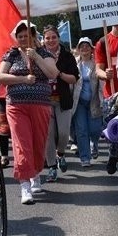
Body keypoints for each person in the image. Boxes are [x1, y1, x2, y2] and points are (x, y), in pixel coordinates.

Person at [0, 20, 59, 204]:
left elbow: (53, 74)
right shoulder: (11, 55)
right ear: (16, 38)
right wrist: (23, 78)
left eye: (27, 36)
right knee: (22, 144)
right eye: (20, 36)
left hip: (40, 104)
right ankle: (25, 186)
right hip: (16, 105)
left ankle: (35, 174)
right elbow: (1, 77)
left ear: (33, 36)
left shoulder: (43, 53)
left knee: (38, 144)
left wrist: (37, 58)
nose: (23, 39)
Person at [41, 24, 80, 182]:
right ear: (43, 40)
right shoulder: (39, 55)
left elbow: (74, 78)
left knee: (63, 134)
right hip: (44, 101)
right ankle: (51, 167)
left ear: (58, 38)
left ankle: (61, 154)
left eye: (53, 37)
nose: (51, 40)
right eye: (47, 38)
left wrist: (59, 74)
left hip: (63, 100)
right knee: (49, 136)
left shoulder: (67, 56)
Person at [95, 23, 118, 174]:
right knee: (113, 128)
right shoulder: (103, 42)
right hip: (112, 93)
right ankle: (114, 154)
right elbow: (98, 69)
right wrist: (105, 75)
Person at [72, 37, 103, 167]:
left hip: (94, 101)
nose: (84, 48)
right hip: (79, 103)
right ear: (78, 49)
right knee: (81, 130)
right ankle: (85, 157)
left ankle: (94, 144)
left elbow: (102, 81)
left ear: (91, 49)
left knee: (95, 130)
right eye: (81, 46)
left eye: (87, 46)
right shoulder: (74, 64)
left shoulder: (97, 64)